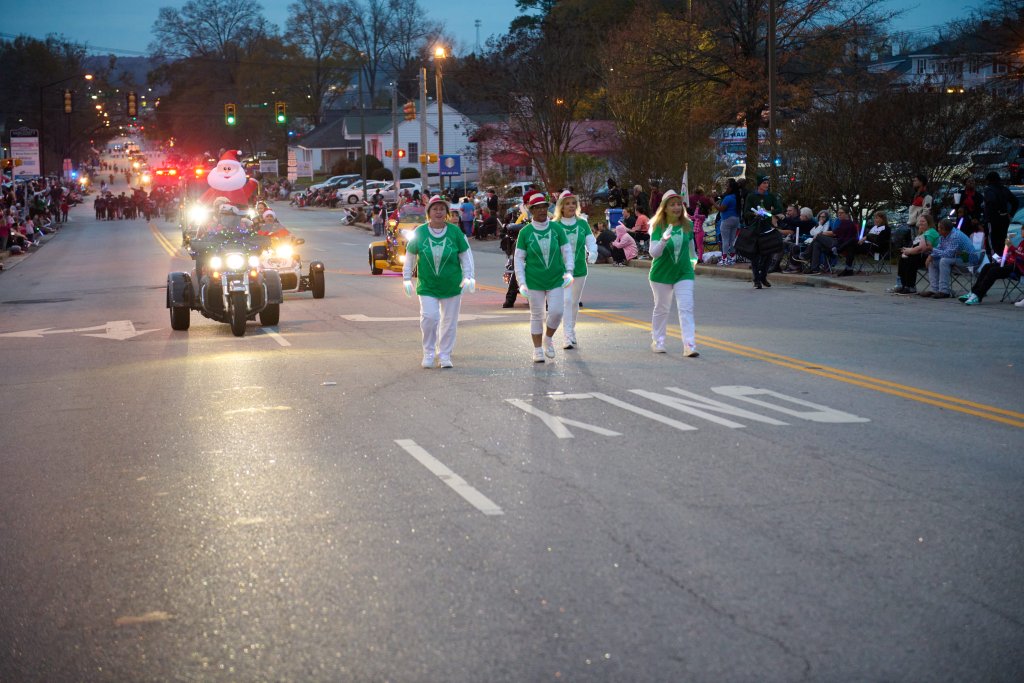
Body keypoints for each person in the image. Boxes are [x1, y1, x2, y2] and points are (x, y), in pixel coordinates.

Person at [402, 195, 475, 368]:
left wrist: (468, 276)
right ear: (429, 212)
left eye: (442, 209)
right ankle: (428, 352)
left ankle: (444, 355)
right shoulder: (420, 232)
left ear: (447, 212)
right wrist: (406, 278)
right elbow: (410, 256)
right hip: (428, 285)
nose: (439, 212)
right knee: (429, 317)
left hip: (452, 284)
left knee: (449, 322)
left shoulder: (455, 232)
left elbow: (465, 255)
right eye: (435, 209)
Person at [513, 191, 574, 362]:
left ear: (548, 208)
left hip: (556, 278)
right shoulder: (525, 232)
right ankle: (537, 349)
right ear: (531, 210)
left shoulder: (557, 229)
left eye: (543, 207)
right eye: (537, 208)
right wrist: (521, 282)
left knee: (556, 312)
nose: (541, 211)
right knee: (537, 314)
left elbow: (567, 251)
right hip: (534, 281)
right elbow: (519, 259)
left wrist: (569, 271)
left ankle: (548, 339)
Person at [648, 190, 699, 357]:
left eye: (679, 204)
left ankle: (689, 345)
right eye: (672, 204)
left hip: (683, 273)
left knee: (686, 308)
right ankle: (658, 341)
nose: (677, 207)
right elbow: (654, 253)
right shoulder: (657, 226)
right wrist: (663, 239)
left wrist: (693, 261)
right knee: (662, 308)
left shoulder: (688, 225)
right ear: (665, 208)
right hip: (661, 274)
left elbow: (691, 247)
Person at [552, 190, 597, 349]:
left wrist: (593, 251)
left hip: (579, 269)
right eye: (567, 203)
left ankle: (571, 330)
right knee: (567, 301)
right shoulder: (555, 225)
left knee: (574, 302)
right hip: (561, 271)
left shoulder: (582, 223)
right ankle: (567, 336)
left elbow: (590, 240)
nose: (571, 206)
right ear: (561, 207)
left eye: (573, 203)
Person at [921, 218, 979, 298]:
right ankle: (934, 289)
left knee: (944, 261)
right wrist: (931, 256)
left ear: (945, 230)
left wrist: (932, 249)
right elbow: (939, 248)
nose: (938, 230)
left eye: (939, 228)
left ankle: (944, 291)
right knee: (933, 260)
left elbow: (948, 254)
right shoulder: (943, 236)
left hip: (968, 261)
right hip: (957, 258)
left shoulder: (955, 236)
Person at [742, 175, 783, 287]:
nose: (766, 185)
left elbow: (779, 208)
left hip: (767, 228)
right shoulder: (751, 196)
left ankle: (763, 276)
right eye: (764, 183)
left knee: (768, 254)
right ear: (759, 184)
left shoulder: (771, 196)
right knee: (755, 255)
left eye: (767, 183)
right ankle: (756, 280)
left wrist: (768, 211)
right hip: (755, 228)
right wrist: (755, 213)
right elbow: (746, 213)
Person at [961, 237, 1024, 305]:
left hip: (1018, 267)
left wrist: (1011, 247)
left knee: (993, 271)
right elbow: (1016, 254)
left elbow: (1020, 256)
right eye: (1022, 229)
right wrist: (1006, 256)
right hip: (1011, 263)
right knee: (987, 266)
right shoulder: (1022, 242)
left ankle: (978, 295)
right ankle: (973, 292)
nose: (1022, 231)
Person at [891, 213, 939, 295]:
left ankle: (910, 286)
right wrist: (906, 250)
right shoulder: (921, 234)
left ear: (929, 222)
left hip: (930, 256)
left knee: (911, 258)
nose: (921, 223)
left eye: (923, 221)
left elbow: (923, 248)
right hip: (920, 255)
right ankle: (903, 285)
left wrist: (909, 251)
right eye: (920, 221)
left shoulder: (931, 232)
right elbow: (914, 246)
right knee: (903, 258)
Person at [982, 171, 1019, 257]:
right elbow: (1015, 202)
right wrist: (1011, 214)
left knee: (993, 243)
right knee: (1004, 242)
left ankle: (995, 261)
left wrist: (993, 213)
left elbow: (992, 201)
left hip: (993, 221)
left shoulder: (989, 190)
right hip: (1005, 219)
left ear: (989, 180)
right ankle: (1005, 260)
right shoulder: (1004, 189)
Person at [715, 178, 741, 265]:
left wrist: (713, 203)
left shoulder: (728, 198)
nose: (726, 188)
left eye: (727, 187)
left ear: (730, 188)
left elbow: (722, 209)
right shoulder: (737, 197)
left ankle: (724, 259)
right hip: (736, 219)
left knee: (725, 239)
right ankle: (733, 257)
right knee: (732, 239)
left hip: (726, 219)